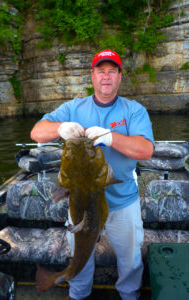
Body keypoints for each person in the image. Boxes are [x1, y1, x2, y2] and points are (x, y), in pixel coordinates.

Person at [30, 49, 155, 300]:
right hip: (79, 204)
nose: (106, 77)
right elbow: (37, 133)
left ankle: (129, 295)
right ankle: (78, 295)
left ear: (120, 76)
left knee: (130, 261)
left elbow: (146, 150)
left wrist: (111, 137)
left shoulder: (134, 110)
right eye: (101, 71)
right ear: (92, 76)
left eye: (112, 71)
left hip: (123, 202)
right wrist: (60, 127)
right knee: (81, 258)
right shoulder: (73, 107)